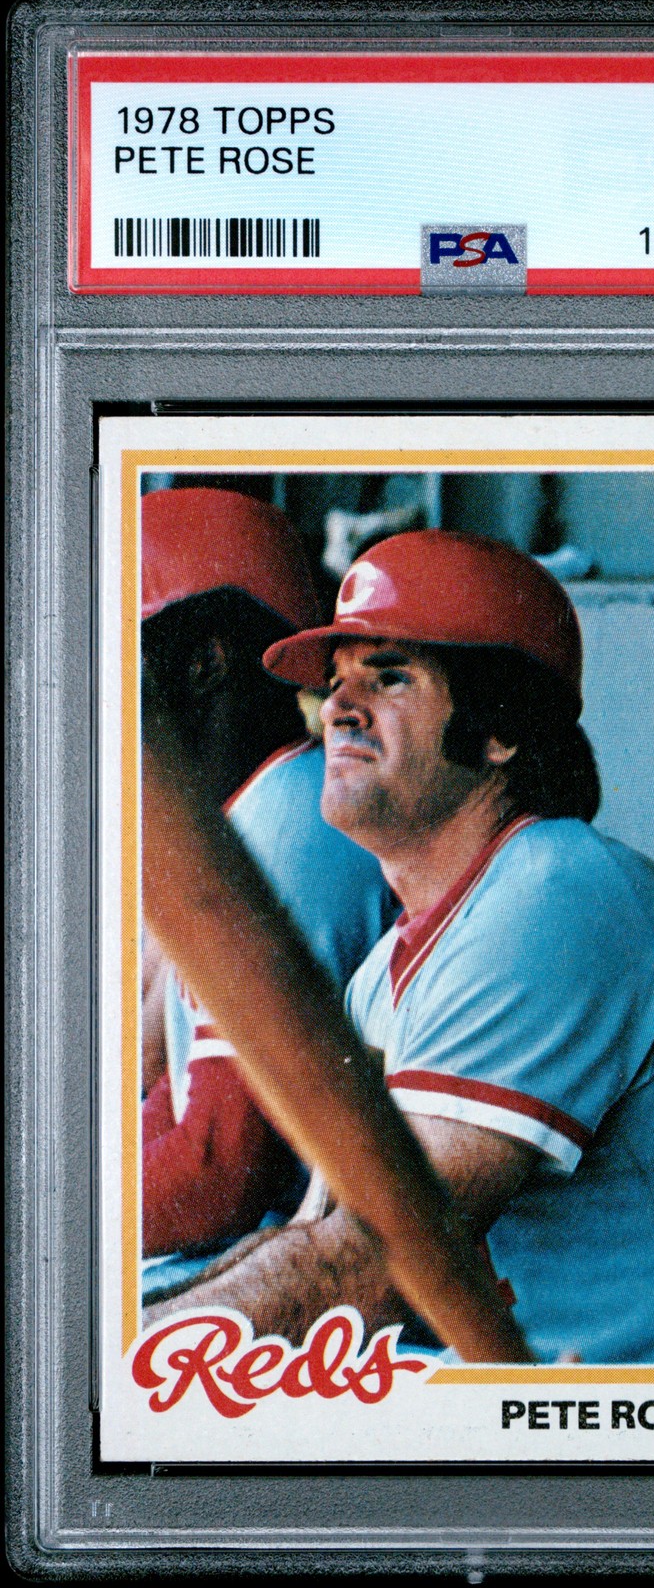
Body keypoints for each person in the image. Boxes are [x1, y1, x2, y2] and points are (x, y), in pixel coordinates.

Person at [145, 529, 654, 1364]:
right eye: (335, 683)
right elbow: (317, 1235)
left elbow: (376, 1264)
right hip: (546, 1382)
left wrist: (139, 1353)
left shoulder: (553, 895)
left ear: (499, 729)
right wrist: (150, 1321)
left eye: (389, 678)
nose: (338, 709)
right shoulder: (390, 969)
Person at [139, 487, 398, 1299]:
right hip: (265, 1255)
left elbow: (218, 1173)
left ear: (204, 664)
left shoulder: (288, 825)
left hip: (311, 1280)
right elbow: (174, 1103)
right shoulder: (248, 811)